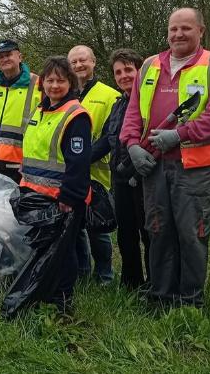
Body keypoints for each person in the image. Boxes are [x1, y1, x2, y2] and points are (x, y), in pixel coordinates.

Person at [120, 8, 210, 307]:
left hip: (193, 167)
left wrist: (180, 134)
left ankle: (190, 301)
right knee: (158, 230)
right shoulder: (149, 65)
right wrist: (132, 145)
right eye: (173, 29)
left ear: (201, 31)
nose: (178, 34)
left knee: (191, 233)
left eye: (185, 28)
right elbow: (134, 111)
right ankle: (161, 297)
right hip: (153, 164)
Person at [19, 56, 92, 311]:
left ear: (70, 82)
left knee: (63, 251)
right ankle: (44, 293)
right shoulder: (40, 111)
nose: (54, 86)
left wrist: (69, 198)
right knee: (45, 249)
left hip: (62, 198)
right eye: (49, 80)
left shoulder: (75, 116)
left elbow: (79, 162)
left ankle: (62, 300)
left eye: (60, 81)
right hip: (37, 194)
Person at [91, 49, 149, 289]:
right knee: (126, 235)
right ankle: (131, 283)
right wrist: (80, 159)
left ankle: (154, 284)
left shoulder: (149, 102)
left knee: (149, 234)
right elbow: (107, 139)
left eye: (128, 70)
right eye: (118, 72)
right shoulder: (118, 104)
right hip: (119, 179)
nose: (124, 75)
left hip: (143, 179)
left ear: (139, 71)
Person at [68, 45, 120, 285]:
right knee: (74, 226)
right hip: (68, 172)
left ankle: (105, 276)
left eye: (83, 61)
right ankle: (81, 272)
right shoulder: (65, 92)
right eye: (74, 62)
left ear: (93, 62)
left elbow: (110, 136)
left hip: (97, 171)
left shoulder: (110, 94)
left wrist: (81, 159)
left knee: (97, 227)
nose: (78, 65)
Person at [0, 39, 41, 183]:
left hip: (24, 167)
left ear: (20, 56)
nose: (5, 59)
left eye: (8, 54)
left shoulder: (38, 84)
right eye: (0, 56)